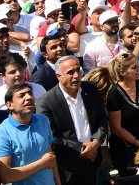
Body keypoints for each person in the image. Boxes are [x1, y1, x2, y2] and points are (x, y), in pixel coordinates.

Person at [35, 56, 109, 185]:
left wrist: (95, 144)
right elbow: (52, 138)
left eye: (78, 70)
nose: (76, 75)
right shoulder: (46, 103)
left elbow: (102, 120)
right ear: (59, 76)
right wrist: (83, 148)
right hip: (68, 167)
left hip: (94, 158)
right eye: (70, 72)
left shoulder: (90, 89)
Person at [0, 83, 59, 185]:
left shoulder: (43, 120)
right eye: (22, 96)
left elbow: (51, 159)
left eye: (30, 93)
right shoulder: (0, 134)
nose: (29, 97)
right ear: (10, 105)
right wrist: (41, 164)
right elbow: (5, 176)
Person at [106, 52, 139, 176]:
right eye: (134, 67)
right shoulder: (114, 93)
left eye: (138, 65)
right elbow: (116, 128)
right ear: (122, 73)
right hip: (126, 149)